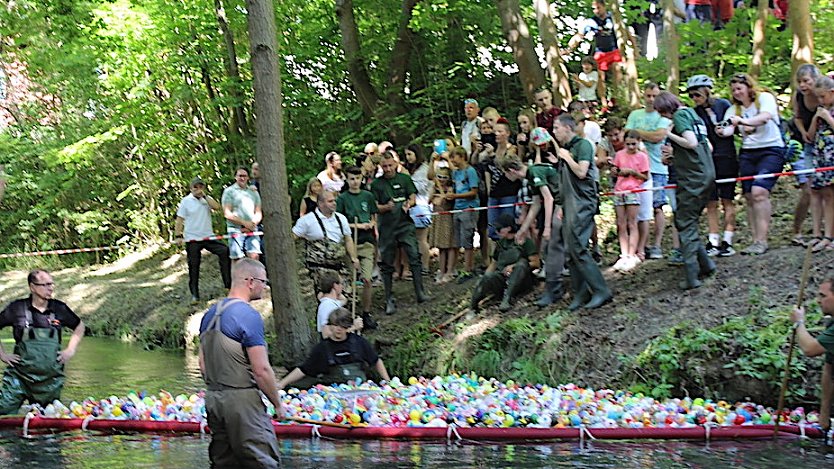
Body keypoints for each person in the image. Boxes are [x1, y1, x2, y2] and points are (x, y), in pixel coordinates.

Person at [198, 258, 282, 467]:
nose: (265, 287)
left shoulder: (209, 315)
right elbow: (261, 370)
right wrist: (277, 404)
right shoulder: (248, 315)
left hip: (214, 400)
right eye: (263, 282)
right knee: (262, 460)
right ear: (250, 282)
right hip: (242, 402)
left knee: (223, 462)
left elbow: (202, 364)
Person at [716, 73, 785, 255]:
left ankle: (762, 240)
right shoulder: (734, 109)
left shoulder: (764, 98)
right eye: (733, 90)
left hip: (771, 149)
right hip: (748, 152)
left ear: (749, 87)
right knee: (748, 195)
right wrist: (722, 130)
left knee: (759, 192)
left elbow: (764, 117)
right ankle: (755, 239)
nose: (737, 93)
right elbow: (728, 129)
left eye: (739, 88)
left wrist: (743, 121)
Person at [654, 91, 716, 289]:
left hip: (692, 179)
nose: (663, 117)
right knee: (686, 220)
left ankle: (691, 275)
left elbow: (691, 142)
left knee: (685, 222)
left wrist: (668, 134)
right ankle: (706, 265)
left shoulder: (680, 116)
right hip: (706, 173)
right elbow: (707, 147)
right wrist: (677, 156)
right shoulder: (693, 114)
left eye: (662, 113)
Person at [0, 270, 85, 415]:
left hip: (50, 381)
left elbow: (79, 326)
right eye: (45, 285)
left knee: (48, 420)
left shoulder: (59, 308)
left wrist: (70, 350)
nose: (50, 288)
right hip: (19, 378)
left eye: (51, 284)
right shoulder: (17, 308)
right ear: (32, 287)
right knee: (4, 411)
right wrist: (2, 355)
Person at [553, 114, 613, 309]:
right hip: (569, 204)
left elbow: (581, 172)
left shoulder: (583, 145)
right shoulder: (566, 149)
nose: (554, 132)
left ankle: (601, 290)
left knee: (579, 247)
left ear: (568, 128)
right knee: (570, 250)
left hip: (582, 203)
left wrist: (567, 157)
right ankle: (580, 293)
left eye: (556, 128)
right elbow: (563, 181)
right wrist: (561, 205)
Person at [499, 154, 565, 307]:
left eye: (506, 173)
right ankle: (552, 288)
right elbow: (536, 204)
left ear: (511, 171)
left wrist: (547, 227)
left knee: (550, 245)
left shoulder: (535, 172)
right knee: (547, 247)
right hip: (558, 205)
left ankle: (555, 288)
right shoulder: (530, 177)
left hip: (562, 204)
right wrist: (522, 230)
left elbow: (548, 198)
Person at [371, 151, 430, 314]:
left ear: (396, 164)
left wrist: (408, 204)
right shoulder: (377, 184)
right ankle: (389, 298)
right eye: (385, 166)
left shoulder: (404, 179)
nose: (388, 169)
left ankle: (420, 292)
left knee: (414, 255)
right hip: (387, 227)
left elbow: (413, 197)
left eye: (390, 165)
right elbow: (373, 206)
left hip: (405, 224)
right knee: (387, 263)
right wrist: (385, 207)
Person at [687, 74, 738, 257]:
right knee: (711, 202)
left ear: (707, 92)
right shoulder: (695, 113)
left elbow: (734, 127)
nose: (695, 99)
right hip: (708, 160)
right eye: (691, 96)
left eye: (697, 95)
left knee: (727, 199)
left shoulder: (723, 105)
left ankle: (728, 240)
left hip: (727, 157)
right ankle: (713, 240)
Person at [277, 308, 390, 389]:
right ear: (330, 326)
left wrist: (388, 383)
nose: (338, 329)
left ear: (348, 326)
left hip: (360, 390)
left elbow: (376, 361)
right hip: (333, 393)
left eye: (342, 326)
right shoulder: (322, 348)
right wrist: (282, 384)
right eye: (335, 325)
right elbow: (304, 369)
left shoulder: (359, 342)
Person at [626, 83, 674, 262]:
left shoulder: (663, 115)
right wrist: (642, 134)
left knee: (657, 206)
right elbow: (627, 135)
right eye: (648, 96)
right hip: (636, 168)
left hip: (658, 167)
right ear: (643, 96)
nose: (651, 99)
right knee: (638, 209)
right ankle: (641, 246)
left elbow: (658, 136)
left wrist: (638, 133)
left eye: (654, 96)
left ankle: (657, 245)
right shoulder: (635, 115)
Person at [293, 191, 360, 300]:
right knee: (327, 298)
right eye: (330, 201)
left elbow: (348, 239)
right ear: (320, 203)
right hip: (318, 270)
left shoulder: (341, 218)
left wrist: (353, 258)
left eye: (334, 201)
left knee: (345, 298)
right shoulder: (306, 220)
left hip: (339, 267)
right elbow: (292, 237)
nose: (334, 203)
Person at [175, 177, 232, 304]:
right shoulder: (185, 201)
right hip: (192, 238)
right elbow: (179, 219)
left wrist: (205, 197)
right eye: (195, 187)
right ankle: (195, 294)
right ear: (191, 188)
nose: (198, 189)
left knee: (224, 251)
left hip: (208, 236)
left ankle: (228, 285)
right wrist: (178, 235)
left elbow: (217, 207)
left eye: (200, 187)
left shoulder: (206, 200)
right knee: (194, 265)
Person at [336, 166, 379, 328]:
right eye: (352, 179)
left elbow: (374, 216)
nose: (355, 182)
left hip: (367, 242)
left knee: (367, 279)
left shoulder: (368, 196)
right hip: (351, 243)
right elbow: (340, 221)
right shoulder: (342, 199)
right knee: (351, 280)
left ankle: (366, 313)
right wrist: (358, 226)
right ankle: (350, 314)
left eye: (357, 178)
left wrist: (372, 224)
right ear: (347, 180)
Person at [471, 213, 540, 312]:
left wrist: (514, 267)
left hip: (522, 279)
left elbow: (536, 263)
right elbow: (494, 264)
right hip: (502, 278)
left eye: (499, 229)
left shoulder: (525, 242)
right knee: (487, 278)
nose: (497, 231)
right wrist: (485, 278)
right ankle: (473, 305)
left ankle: (507, 298)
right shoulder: (500, 244)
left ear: (508, 228)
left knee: (522, 263)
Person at [792, 65, 824, 248]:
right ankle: (797, 230)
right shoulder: (798, 95)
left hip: (825, 143)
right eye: (800, 82)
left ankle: (825, 231)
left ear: (815, 80)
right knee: (808, 189)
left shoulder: (824, 92)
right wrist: (803, 131)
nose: (802, 85)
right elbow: (797, 116)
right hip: (805, 143)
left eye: (806, 81)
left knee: (827, 189)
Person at [565, 0, 623, 98]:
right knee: (600, 76)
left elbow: (625, 32)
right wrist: (569, 48)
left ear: (604, 6)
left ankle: (617, 97)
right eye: (594, 9)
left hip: (614, 51)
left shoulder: (613, 18)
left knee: (617, 69)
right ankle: (603, 101)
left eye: (598, 8)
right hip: (600, 52)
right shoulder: (591, 22)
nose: (596, 11)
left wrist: (634, 48)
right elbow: (579, 36)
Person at [611, 130, 650, 272]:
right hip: (619, 190)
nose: (631, 147)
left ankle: (632, 254)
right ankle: (624, 254)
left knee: (632, 223)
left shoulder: (642, 156)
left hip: (633, 190)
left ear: (639, 142)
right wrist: (616, 171)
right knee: (621, 224)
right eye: (628, 144)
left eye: (634, 144)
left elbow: (645, 177)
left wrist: (633, 173)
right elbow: (614, 170)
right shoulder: (619, 154)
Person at [807, 75, 834, 252]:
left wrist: (828, 117)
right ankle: (825, 235)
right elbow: (810, 136)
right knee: (826, 194)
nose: (821, 100)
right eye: (818, 97)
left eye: (823, 96)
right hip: (822, 155)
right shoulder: (821, 110)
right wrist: (816, 118)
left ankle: (830, 236)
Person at [449, 146, 480, 283]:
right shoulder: (456, 173)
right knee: (457, 239)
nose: (452, 160)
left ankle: (468, 268)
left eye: (454, 157)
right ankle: (456, 268)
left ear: (462, 157)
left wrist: (456, 196)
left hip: (469, 207)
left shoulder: (470, 171)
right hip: (457, 208)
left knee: (467, 238)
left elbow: (474, 192)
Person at [222, 166, 263, 261]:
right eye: (240, 176)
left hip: (252, 229)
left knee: (254, 257)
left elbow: (258, 212)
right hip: (235, 229)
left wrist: (252, 225)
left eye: (245, 176)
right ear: (235, 177)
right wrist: (245, 223)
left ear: (248, 177)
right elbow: (227, 213)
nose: (242, 178)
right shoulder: (229, 191)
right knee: (237, 260)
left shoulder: (253, 192)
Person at [404, 144, 432, 274]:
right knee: (412, 239)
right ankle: (414, 265)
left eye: (410, 154)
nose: (408, 157)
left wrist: (408, 180)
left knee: (421, 238)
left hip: (421, 206)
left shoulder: (424, 169)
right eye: (406, 155)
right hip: (410, 207)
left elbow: (420, 188)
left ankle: (425, 266)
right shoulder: (409, 169)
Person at [429, 166, 456, 283]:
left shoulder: (450, 189)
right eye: (439, 176)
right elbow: (430, 201)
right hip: (438, 219)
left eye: (444, 177)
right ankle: (442, 270)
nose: (441, 179)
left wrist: (440, 190)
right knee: (441, 247)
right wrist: (434, 189)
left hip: (447, 219)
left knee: (449, 246)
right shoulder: (434, 188)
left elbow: (444, 199)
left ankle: (449, 270)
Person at [316, 272, 364, 338]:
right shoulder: (327, 306)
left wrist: (331, 291)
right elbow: (326, 334)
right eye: (341, 283)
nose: (342, 287)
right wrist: (354, 327)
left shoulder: (332, 303)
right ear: (335, 285)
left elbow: (344, 300)